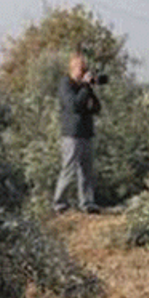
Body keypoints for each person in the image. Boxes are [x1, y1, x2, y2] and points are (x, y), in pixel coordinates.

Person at [53, 51, 102, 214]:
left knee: (86, 171)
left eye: (85, 69)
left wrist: (89, 88)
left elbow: (96, 107)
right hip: (72, 134)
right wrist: (86, 87)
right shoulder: (65, 84)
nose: (84, 73)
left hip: (86, 132)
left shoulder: (83, 87)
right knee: (69, 169)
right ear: (72, 69)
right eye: (82, 69)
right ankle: (60, 203)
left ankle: (87, 203)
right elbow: (74, 105)